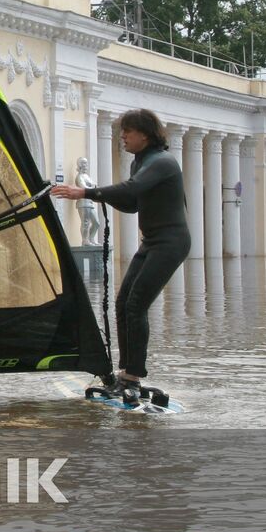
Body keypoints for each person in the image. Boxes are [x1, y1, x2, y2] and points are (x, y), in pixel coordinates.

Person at [52, 109, 190, 403]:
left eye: (127, 131)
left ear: (146, 134)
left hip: (171, 243)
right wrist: (102, 197)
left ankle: (133, 378)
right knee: (123, 302)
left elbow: (132, 189)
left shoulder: (162, 162)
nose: (122, 136)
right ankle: (126, 373)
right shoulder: (140, 162)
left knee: (137, 303)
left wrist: (86, 193)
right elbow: (131, 203)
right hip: (152, 241)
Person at [74, 156, 100, 247]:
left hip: (90, 202)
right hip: (82, 203)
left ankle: (91, 238)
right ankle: (85, 240)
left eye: (86, 163)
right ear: (80, 164)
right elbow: (84, 188)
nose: (86, 165)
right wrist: (93, 188)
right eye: (84, 163)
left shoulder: (87, 176)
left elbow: (94, 186)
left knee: (96, 223)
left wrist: (94, 188)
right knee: (85, 222)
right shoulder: (79, 177)